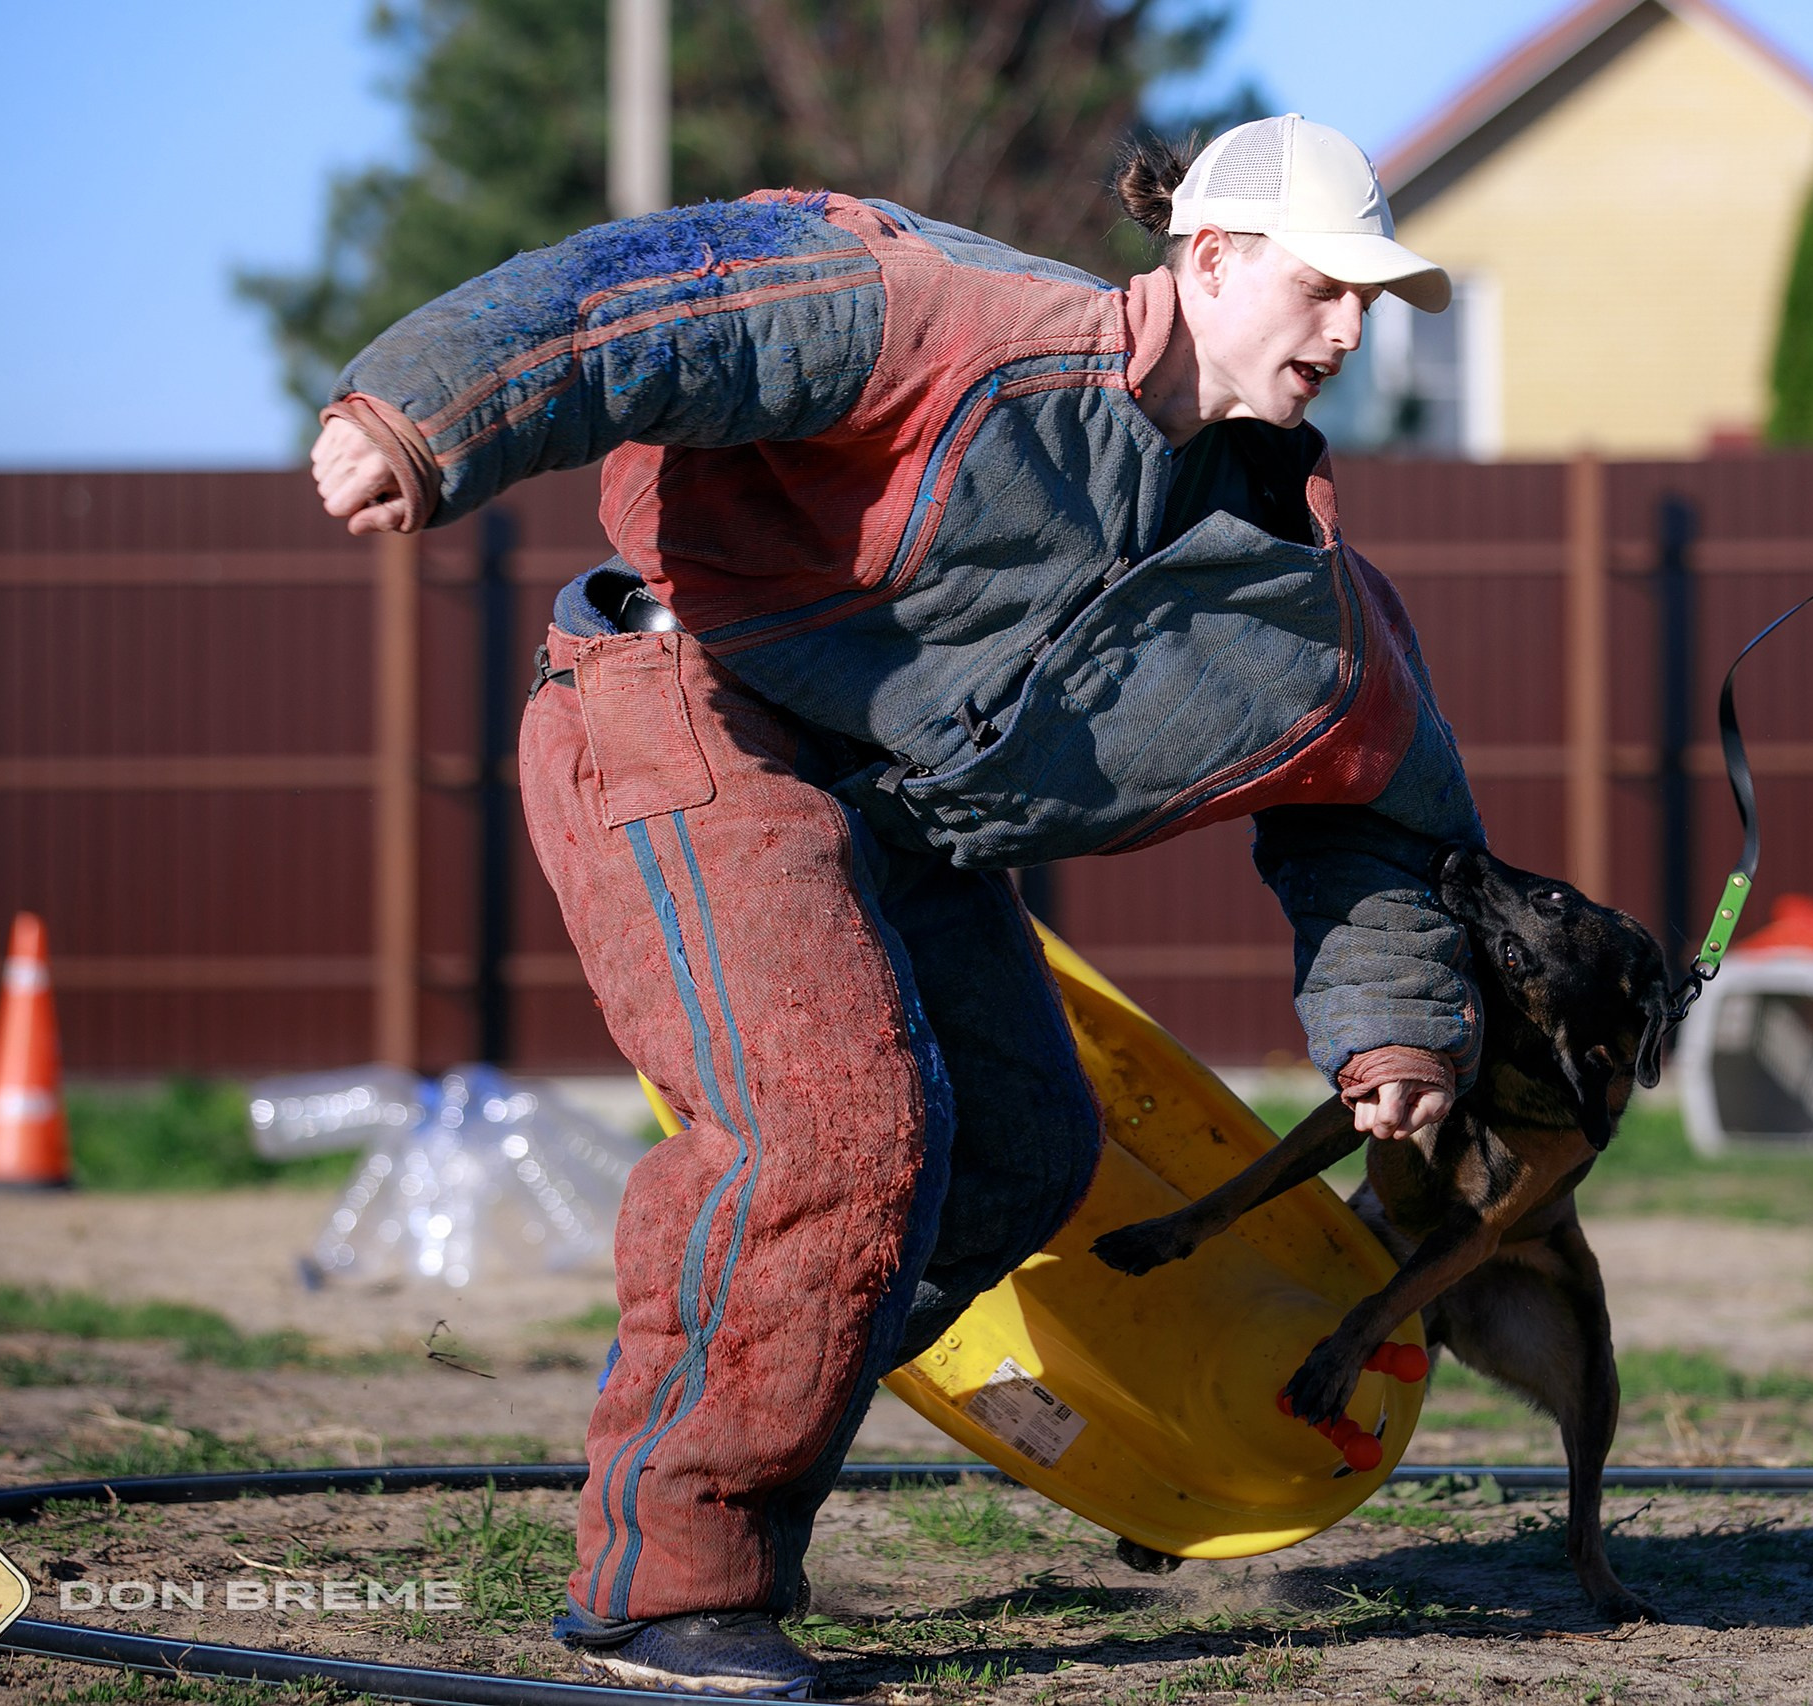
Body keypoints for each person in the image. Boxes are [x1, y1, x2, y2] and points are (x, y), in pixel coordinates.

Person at [312, 115, 1481, 1697]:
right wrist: (423, 413)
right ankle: (671, 1578)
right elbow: (662, 298)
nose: (1347, 333)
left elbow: (1383, 811)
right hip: (684, 703)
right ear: (1208, 259)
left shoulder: (1296, 594)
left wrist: (1394, 1024)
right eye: (1323, 288)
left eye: (1371, 304)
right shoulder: (962, 323)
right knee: (835, 1131)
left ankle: (722, 1396)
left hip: (893, 816)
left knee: (1021, 1151)